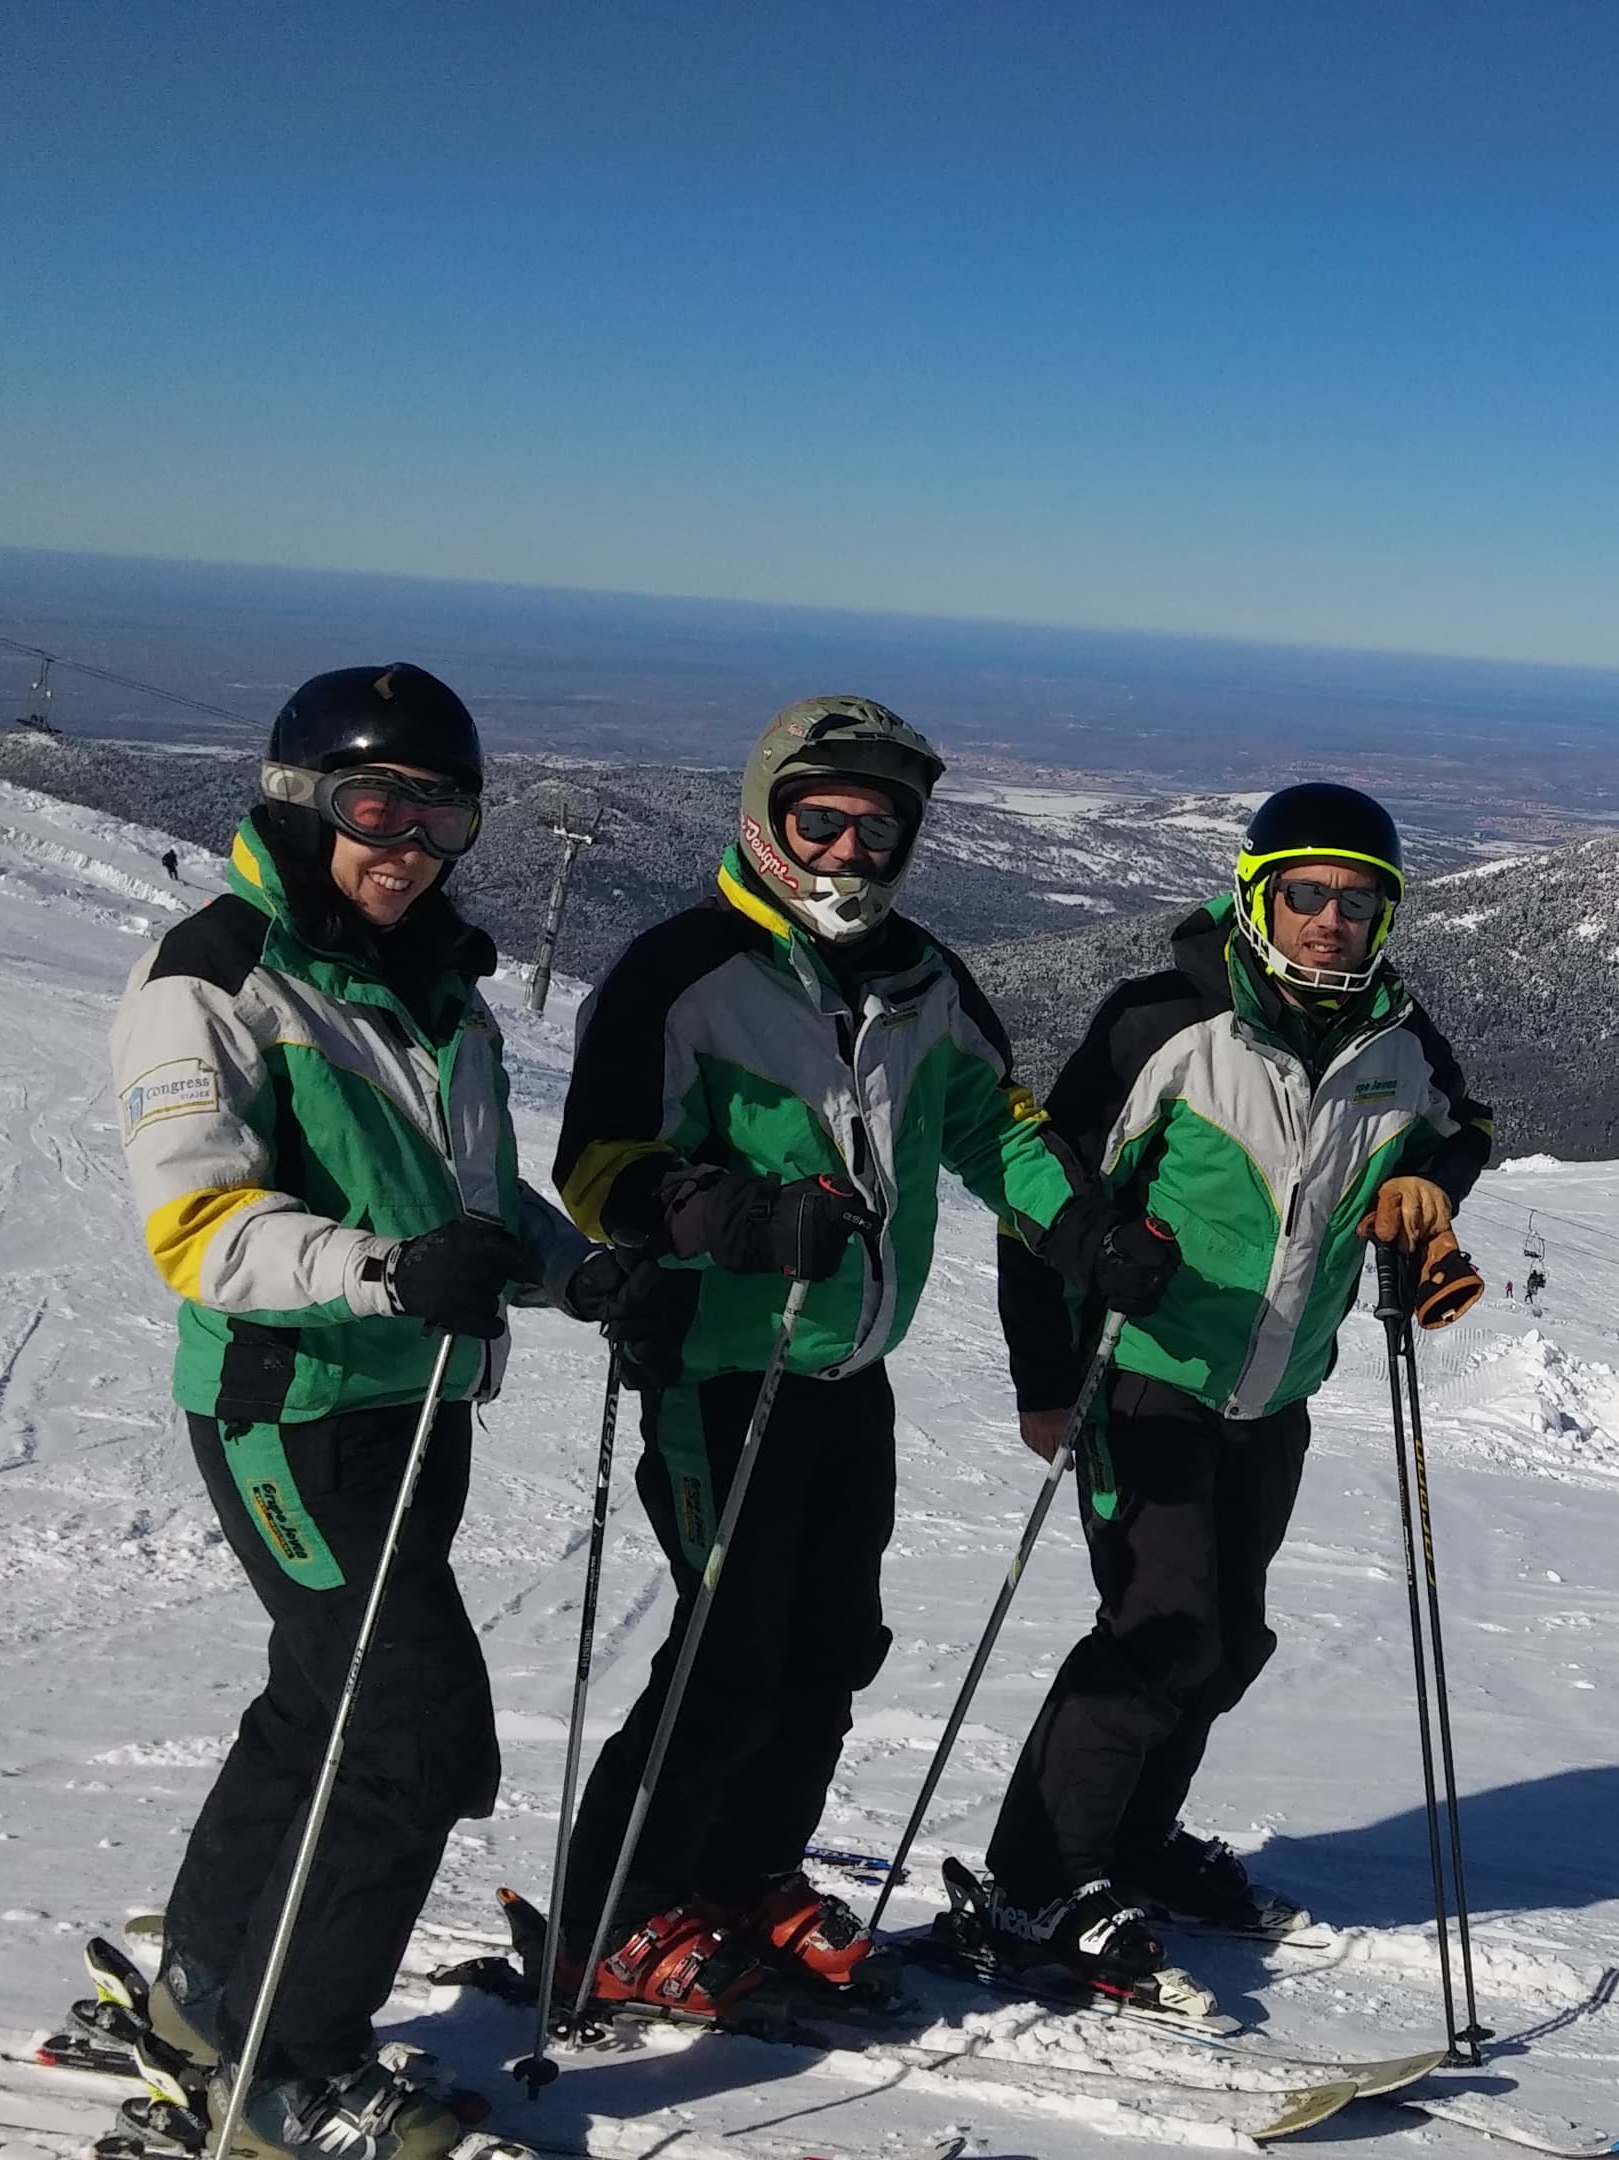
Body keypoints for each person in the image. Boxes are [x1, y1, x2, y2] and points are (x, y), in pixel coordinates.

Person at [548, 695, 1178, 2022]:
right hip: (722, 1374)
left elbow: (994, 1127)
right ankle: (615, 1915)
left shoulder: (918, 979)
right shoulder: (686, 972)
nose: (844, 846)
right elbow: (598, 1164)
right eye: (817, 818)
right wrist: (735, 1216)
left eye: (873, 825)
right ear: (768, 819)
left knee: (831, 1647)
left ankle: (742, 1877)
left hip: (846, 1373)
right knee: (727, 1657)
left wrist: (1083, 1235)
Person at [108, 662, 620, 2160]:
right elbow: (199, 1227)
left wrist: (582, 1277)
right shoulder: (213, 979)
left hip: (415, 1414)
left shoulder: (435, 981)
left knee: (323, 1703)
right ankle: (289, 2073)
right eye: (373, 805)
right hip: (291, 1411)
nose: (405, 842)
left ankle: (210, 1983)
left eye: (439, 813)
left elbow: (466, 1205)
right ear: (299, 800)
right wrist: (388, 1274)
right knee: (408, 1736)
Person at [976, 781, 1491, 2005]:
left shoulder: (1397, 1035)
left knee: (1231, 1642)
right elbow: (1036, 1197)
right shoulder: (1163, 1024)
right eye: (1305, 894)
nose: (1329, 920)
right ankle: (1036, 1879)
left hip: (1275, 1395)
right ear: (1256, 896)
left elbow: (1458, 1124)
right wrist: (1045, 1379)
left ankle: (1136, 1851)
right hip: (1143, 1379)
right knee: (1161, 1631)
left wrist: (1429, 1194)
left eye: (1357, 901)